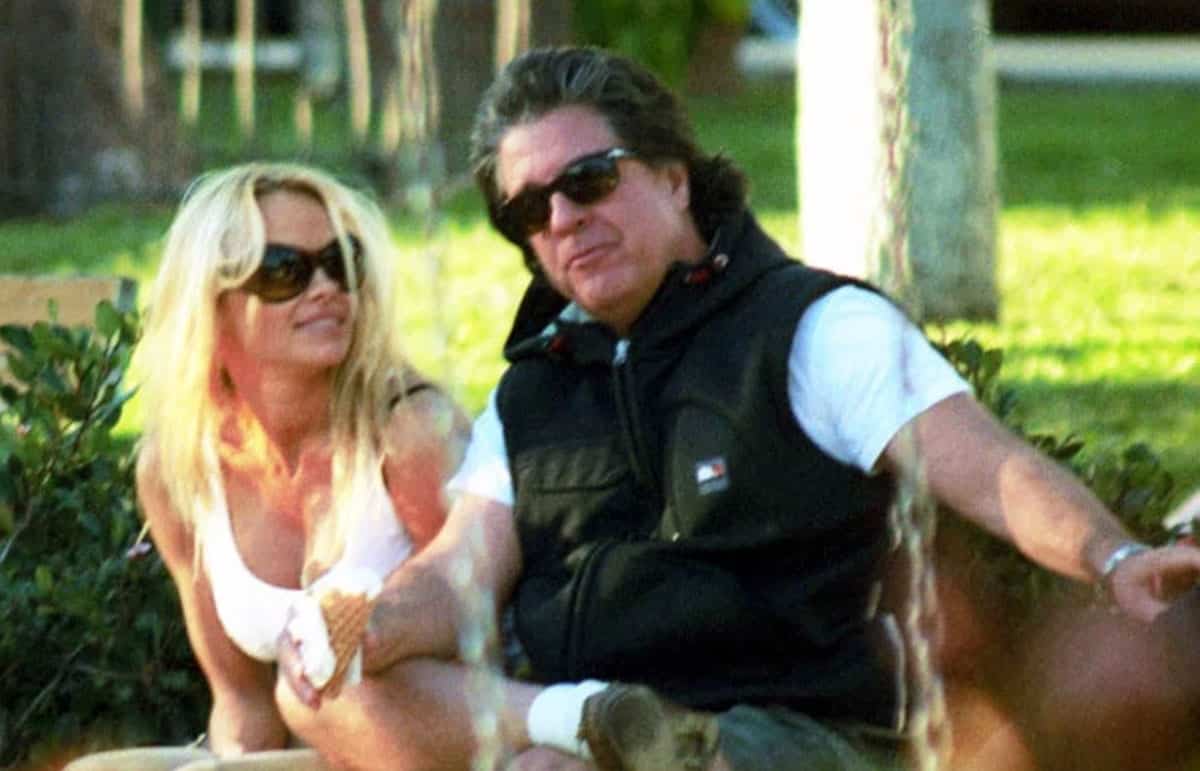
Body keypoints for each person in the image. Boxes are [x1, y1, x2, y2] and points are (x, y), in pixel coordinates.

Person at [274, 46, 1200, 771]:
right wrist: (366, 626)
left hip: (799, 727)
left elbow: (989, 467)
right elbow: (459, 572)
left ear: (674, 177)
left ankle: (595, 732)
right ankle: (584, 718)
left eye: (588, 181)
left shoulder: (811, 328)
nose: (561, 220)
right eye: (529, 211)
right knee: (321, 693)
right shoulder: (535, 389)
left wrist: (1112, 555)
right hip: (592, 723)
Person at [65, 162, 468, 771]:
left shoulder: (409, 433)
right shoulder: (178, 470)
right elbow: (241, 702)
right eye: (284, 271)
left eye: (341, 263)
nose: (326, 288)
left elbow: (483, 641)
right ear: (212, 302)